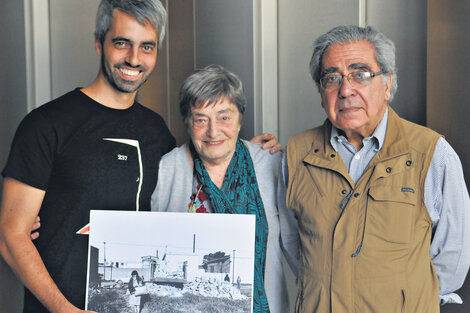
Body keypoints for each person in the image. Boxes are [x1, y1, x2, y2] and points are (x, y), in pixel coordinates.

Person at [0, 1, 279, 313]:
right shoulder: (46, 124)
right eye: (122, 43)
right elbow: (11, 235)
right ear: (98, 43)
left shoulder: (156, 132)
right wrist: (63, 309)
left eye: (147, 47)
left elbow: (194, 171)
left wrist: (241, 152)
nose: (134, 58)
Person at [284, 25, 470, 313]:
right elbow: (296, 247)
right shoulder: (296, 153)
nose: (346, 90)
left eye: (361, 74)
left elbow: (453, 258)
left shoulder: (432, 154)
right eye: (332, 78)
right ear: (321, 92)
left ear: (387, 85)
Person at [151, 65, 299, 313]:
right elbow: (154, 244)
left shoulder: (271, 164)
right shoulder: (167, 169)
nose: (213, 131)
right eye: (200, 119)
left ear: (240, 119)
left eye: (224, 117)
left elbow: (295, 245)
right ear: (187, 122)